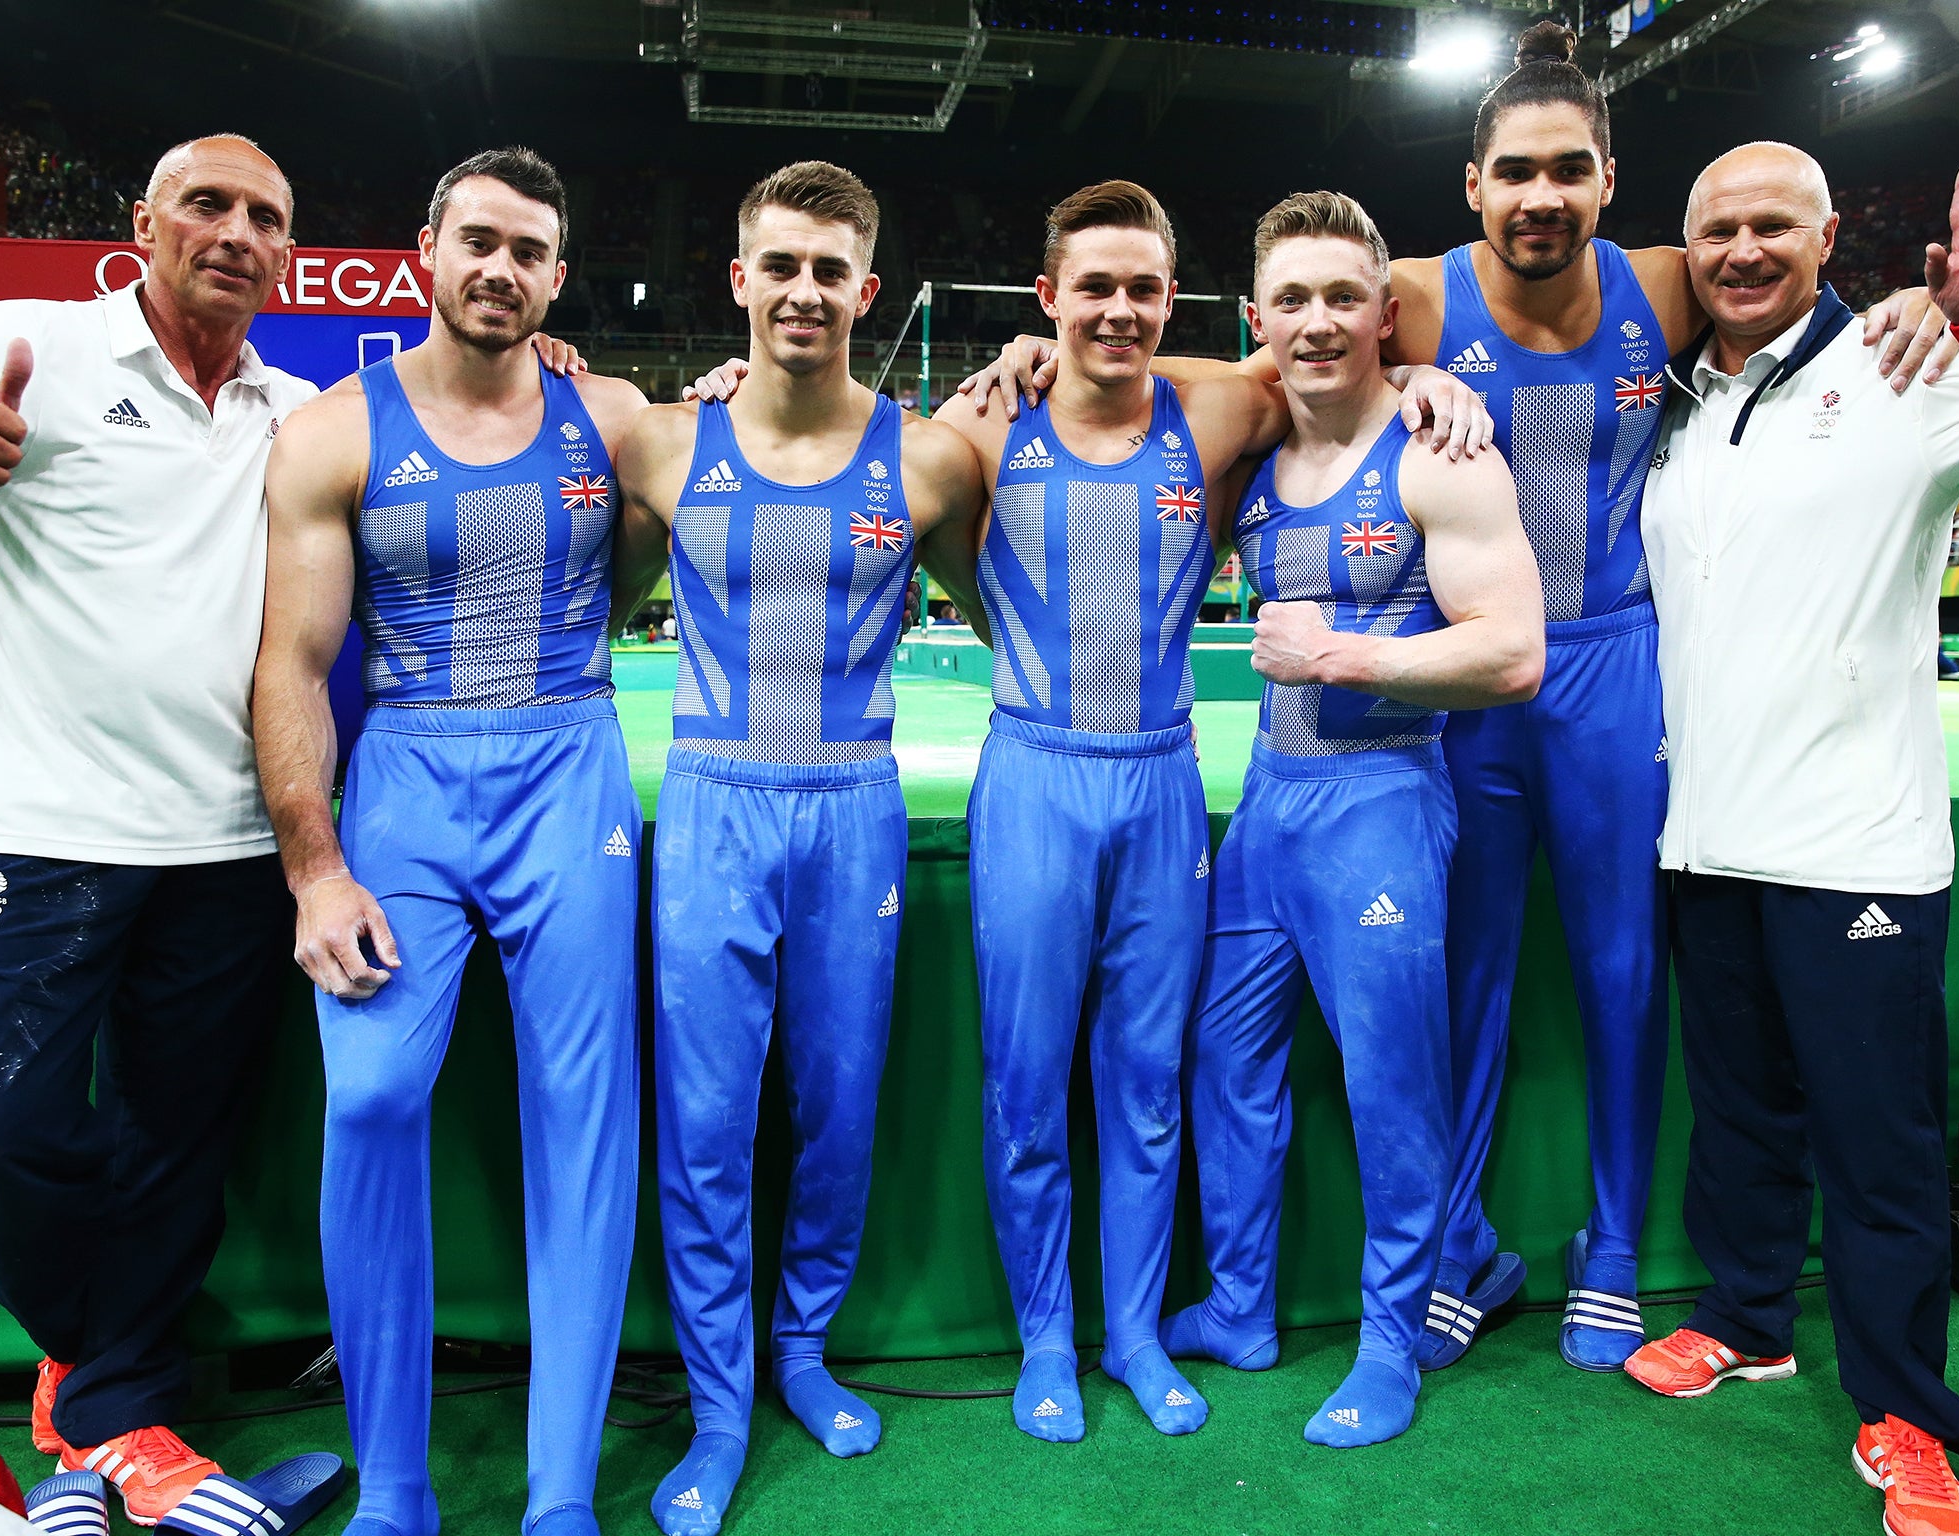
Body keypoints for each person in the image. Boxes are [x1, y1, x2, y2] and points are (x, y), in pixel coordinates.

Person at [960, 20, 1955, 1375]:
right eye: (1513, 173)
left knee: (1617, 968)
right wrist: (1037, 353)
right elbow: (1227, 373)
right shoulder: (1414, 296)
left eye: (1568, 171)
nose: (1540, 196)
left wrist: (1908, 305)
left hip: (1605, 666)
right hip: (1459, 707)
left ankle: (1610, 1248)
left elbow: (1786, 286)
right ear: (1473, 184)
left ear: (1610, 178)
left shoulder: (1665, 280)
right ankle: (1454, 1244)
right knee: (1463, 976)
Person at [929, 181, 1491, 1444]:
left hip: (1167, 781)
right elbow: (877, 494)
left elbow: (1321, 347)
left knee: (1149, 1084)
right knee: (1029, 1088)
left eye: (1142, 289)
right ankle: (1042, 1342)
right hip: (1031, 776)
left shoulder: (1221, 406)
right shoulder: (976, 427)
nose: (1118, 311)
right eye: (1092, 289)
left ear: (1175, 302)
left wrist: (1425, 382)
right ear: (1045, 299)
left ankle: (1133, 1329)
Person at [254, 147, 661, 1536]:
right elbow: (294, 664)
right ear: (426, 248)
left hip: (570, 762)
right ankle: (399, 1489)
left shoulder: (611, 414)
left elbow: (776, 447)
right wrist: (316, 867)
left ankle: (559, 1494)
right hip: (410, 776)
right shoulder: (331, 432)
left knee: (586, 1127)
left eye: (529, 250)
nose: (499, 268)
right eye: (476, 239)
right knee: (369, 1101)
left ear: (559, 275)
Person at [0, 134, 317, 1526]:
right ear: (143, 221)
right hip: (42, 832)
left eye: (263, 216)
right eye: (207, 204)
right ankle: (87, 1359)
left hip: (226, 843)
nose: (234, 230)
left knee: (181, 1141)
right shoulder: (27, 339)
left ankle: (117, 1410)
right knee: (5, 1128)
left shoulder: (292, 403)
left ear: (286, 249)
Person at [1626, 143, 1959, 1536]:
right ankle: (1745, 1318)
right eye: (1715, 227)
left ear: (1828, 233)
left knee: (1880, 1146)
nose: (1741, 249)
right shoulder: (1684, 403)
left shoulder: (1915, 372)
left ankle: (1908, 1414)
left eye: (1771, 224)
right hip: (1709, 837)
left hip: (1859, 848)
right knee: (1741, 1116)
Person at [612, 161, 985, 1536]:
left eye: (832, 270)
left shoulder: (934, 457)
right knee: (706, 1123)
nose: (806, 291)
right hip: (713, 804)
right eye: (782, 265)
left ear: (866, 290)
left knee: (836, 1107)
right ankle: (717, 1405)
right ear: (740, 280)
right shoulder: (659, 442)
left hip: (854, 813)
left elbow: (1018, 609)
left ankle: (802, 1350)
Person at [1169, 190, 1543, 1449]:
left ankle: (1395, 1334)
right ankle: (1236, 1303)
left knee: (1391, 1087)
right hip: (1267, 808)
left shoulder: (1443, 449)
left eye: (1343, 298)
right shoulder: (1256, 457)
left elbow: (1511, 652)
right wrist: (1025, 349)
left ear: (1387, 313)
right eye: (1292, 299)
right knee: (1227, 1064)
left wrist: (1338, 654)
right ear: (1257, 319)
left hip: (1383, 800)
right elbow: (1123, 367)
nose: (1318, 323)